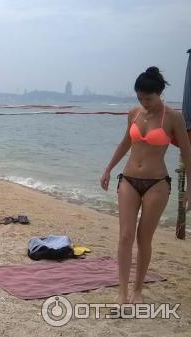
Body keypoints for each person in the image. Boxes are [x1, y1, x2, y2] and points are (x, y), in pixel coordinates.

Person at [100, 66, 191, 305]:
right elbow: (125, 143)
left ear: (159, 93)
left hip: (157, 183)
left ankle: (137, 289)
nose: (144, 102)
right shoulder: (133, 113)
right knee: (125, 236)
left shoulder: (174, 117)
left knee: (143, 238)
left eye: (148, 98)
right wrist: (108, 168)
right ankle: (121, 292)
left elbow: (188, 153)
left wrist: (190, 189)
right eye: (139, 98)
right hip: (129, 180)